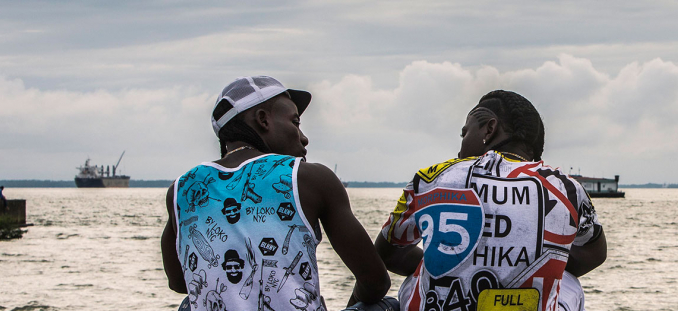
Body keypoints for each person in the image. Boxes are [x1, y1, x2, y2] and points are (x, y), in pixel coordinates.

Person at [160, 76, 390, 311]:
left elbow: (179, 282)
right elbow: (375, 281)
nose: (303, 137)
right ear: (263, 120)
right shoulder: (308, 178)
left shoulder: (182, 189)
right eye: (295, 122)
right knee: (386, 304)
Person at [376, 90, 607, 311]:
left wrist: (450, 262)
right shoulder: (566, 189)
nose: (460, 150)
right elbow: (594, 254)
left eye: (465, 133)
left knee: (417, 279)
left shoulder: (431, 178)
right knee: (568, 283)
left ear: (490, 129)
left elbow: (388, 254)